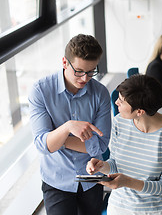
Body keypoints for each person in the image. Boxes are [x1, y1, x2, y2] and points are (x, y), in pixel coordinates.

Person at [28, 34, 111, 215]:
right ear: (65, 62)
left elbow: (101, 146)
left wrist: (60, 139)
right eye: (79, 71)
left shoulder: (101, 93)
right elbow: (43, 145)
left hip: (91, 179)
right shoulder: (40, 91)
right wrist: (68, 127)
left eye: (91, 72)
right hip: (56, 180)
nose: (84, 78)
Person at [86, 74, 162, 215]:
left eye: (121, 101)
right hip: (119, 206)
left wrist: (127, 182)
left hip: (154, 210)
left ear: (139, 111)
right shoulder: (119, 122)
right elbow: (115, 164)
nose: (116, 103)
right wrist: (102, 166)